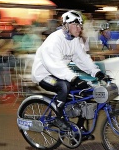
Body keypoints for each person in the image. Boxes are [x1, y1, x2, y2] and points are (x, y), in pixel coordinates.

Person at [32, 10, 106, 139]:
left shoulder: (74, 40)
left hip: (59, 73)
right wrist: (73, 78)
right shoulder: (54, 41)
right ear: (66, 25)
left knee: (86, 91)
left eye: (80, 25)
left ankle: (80, 129)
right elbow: (55, 65)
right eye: (76, 25)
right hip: (44, 75)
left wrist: (96, 72)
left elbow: (82, 59)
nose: (79, 28)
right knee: (64, 86)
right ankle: (58, 118)